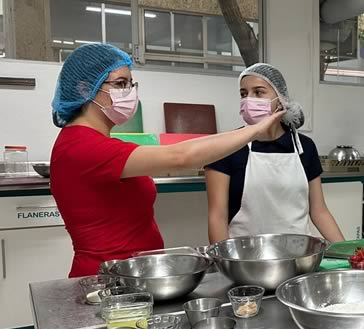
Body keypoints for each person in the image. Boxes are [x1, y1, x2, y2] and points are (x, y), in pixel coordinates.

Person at [50, 44, 285, 278]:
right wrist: (255, 130)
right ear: (84, 89)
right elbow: (181, 156)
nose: (129, 92)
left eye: (130, 84)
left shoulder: (93, 142)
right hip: (105, 281)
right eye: (120, 84)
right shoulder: (82, 147)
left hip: (133, 276)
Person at [205, 63, 344, 243]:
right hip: (245, 257)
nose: (249, 100)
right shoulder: (227, 146)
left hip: (298, 253)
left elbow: (319, 211)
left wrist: (348, 252)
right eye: (243, 94)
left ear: (280, 98)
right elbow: (217, 217)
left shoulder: (304, 147)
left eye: (259, 92)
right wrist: (224, 263)